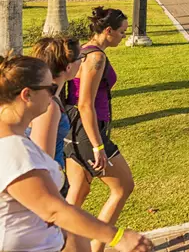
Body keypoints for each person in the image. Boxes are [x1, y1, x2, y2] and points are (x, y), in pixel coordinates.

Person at [0, 52, 153, 252]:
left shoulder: (15, 140)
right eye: (50, 88)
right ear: (27, 95)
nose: (54, 94)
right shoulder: (13, 149)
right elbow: (53, 210)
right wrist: (118, 237)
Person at [64, 7, 134, 252]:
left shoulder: (84, 51)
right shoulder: (96, 58)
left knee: (76, 196)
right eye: (122, 32)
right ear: (108, 31)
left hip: (72, 130)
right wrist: (98, 146)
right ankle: (96, 247)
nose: (124, 36)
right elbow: (84, 103)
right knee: (123, 187)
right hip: (87, 131)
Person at [27, 37, 83, 196]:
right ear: (68, 67)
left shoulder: (48, 98)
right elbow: (43, 159)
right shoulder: (49, 106)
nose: (82, 62)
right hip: (48, 189)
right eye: (80, 58)